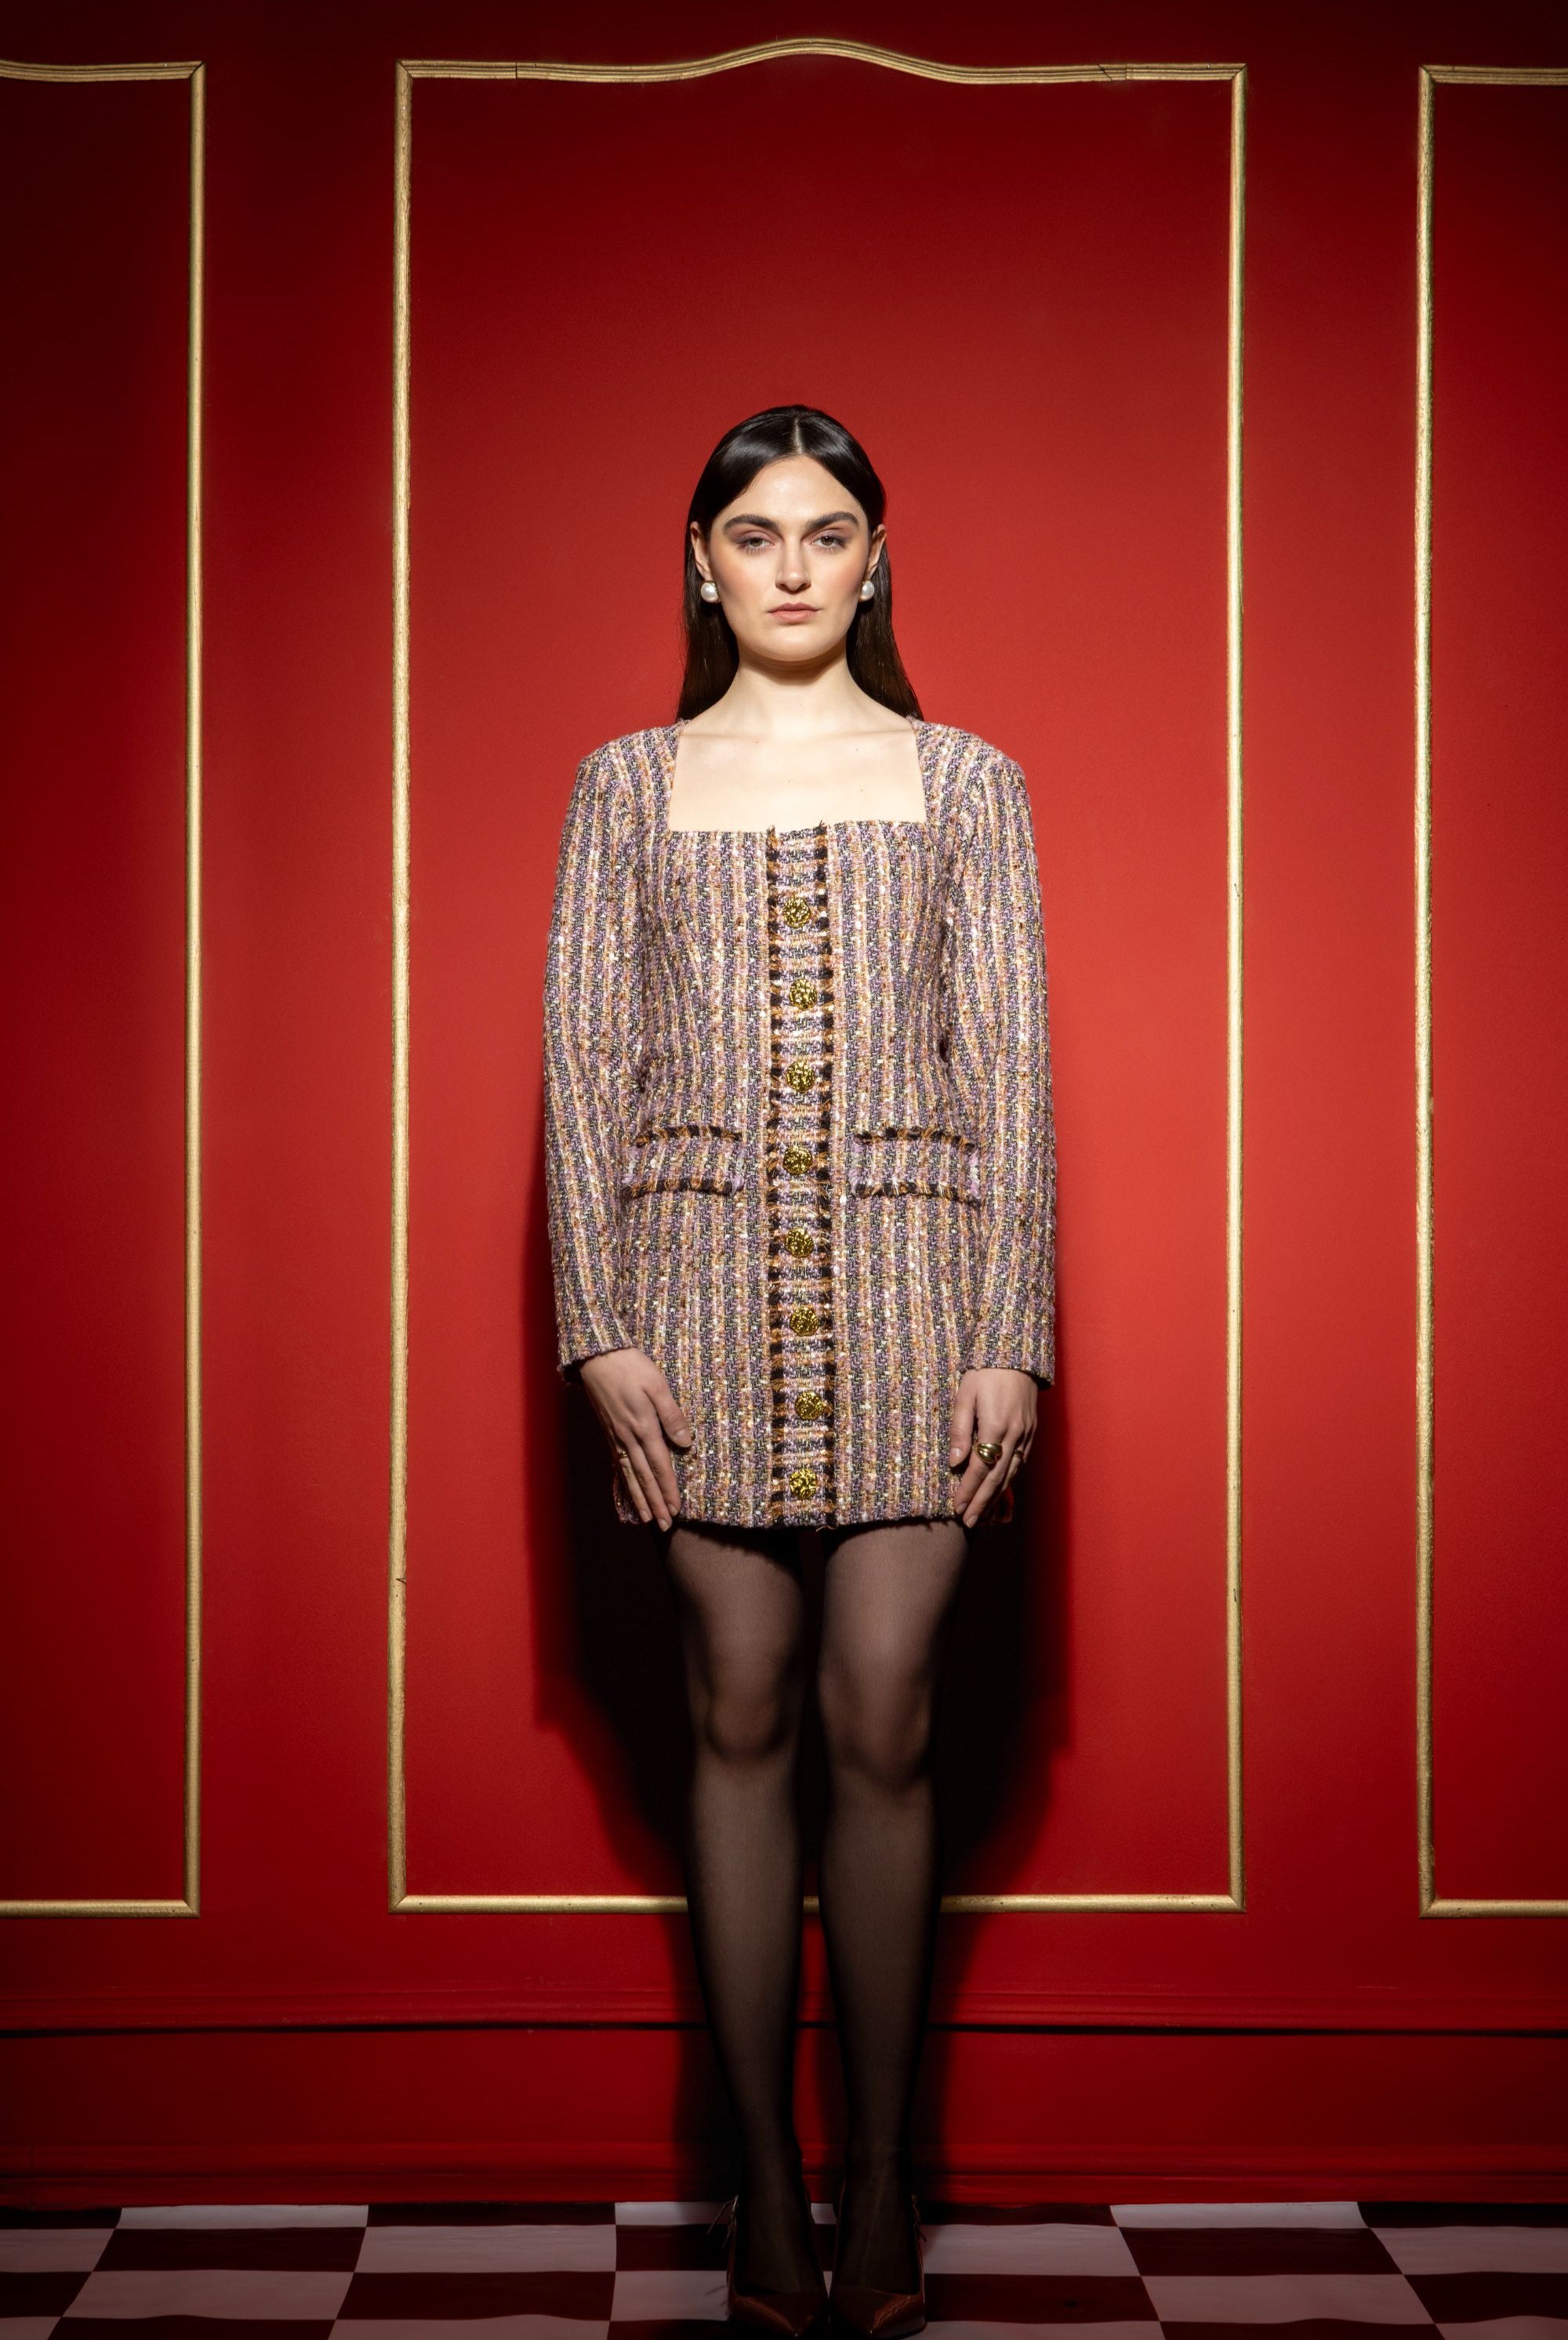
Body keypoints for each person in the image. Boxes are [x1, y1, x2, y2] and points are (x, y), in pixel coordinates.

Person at [543, 405, 1056, 2335]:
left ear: (874, 559)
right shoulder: (624, 784)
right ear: (700, 560)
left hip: (923, 1296)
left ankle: (885, 2177)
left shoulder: (966, 780)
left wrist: (1012, 1333)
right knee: (738, 1712)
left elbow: (1011, 1068)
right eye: (753, 533)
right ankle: (765, 2185)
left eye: (825, 532)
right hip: (689, 1303)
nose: (789, 564)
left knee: (884, 1713)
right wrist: (598, 1324)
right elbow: (581, 1066)